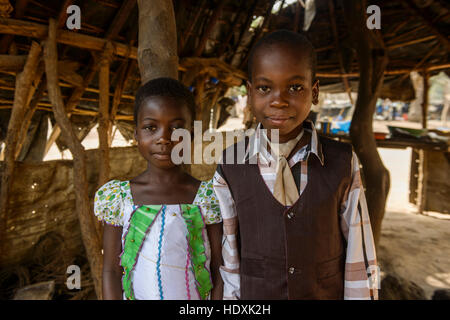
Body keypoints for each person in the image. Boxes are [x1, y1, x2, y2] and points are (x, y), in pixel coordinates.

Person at [213, 30, 378, 300]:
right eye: (265, 88)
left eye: (295, 87)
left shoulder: (342, 162)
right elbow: (230, 258)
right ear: (250, 92)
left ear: (314, 92)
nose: (279, 100)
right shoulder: (230, 167)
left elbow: (360, 255)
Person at [95, 77, 223, 300]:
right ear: (136, 134)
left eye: (176, 128)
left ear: (190, 134)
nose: (164, 139)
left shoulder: (207, 197)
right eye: (150, 127)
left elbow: (219, 269)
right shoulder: (119, 198)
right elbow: (111, 270)